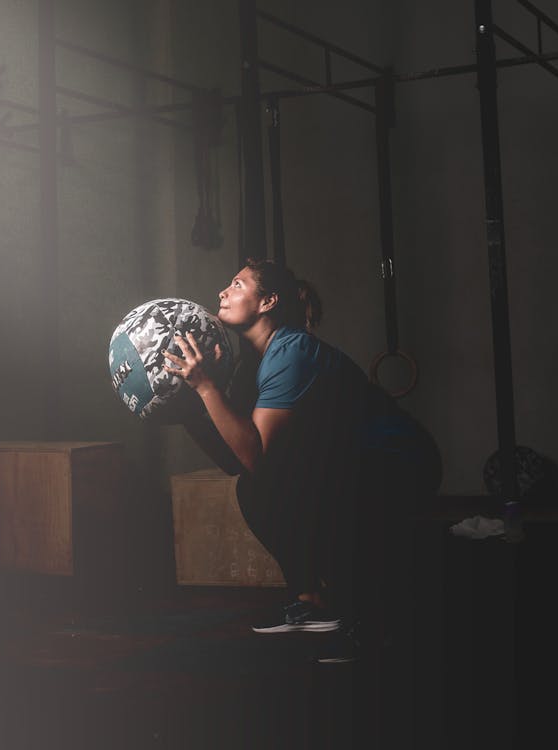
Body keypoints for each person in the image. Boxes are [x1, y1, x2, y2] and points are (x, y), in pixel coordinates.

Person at [163, 258, 441, 652]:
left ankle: (376, 625)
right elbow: (238, 462)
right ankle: (313, 603)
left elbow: (256, 454)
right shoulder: (254, 364)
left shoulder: (291, 352)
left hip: (399, 464)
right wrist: (191, 407)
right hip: (355, 466)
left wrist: (207, 390)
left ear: (268, 301)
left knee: (275, 486)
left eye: (238, 285)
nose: (223, 292)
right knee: (255, 489)